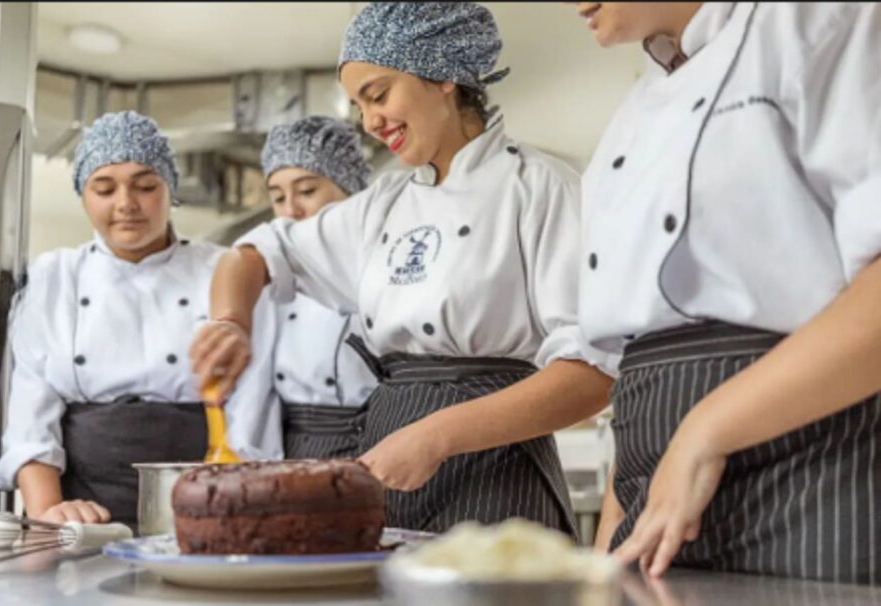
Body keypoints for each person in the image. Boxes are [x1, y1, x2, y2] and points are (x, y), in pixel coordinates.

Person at [190, 2, 614, 538]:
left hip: (499, 470)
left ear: (442, 78)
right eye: (359, 104)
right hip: (391, 454)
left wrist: (437, 436)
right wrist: (230, 321)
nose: (370, 121)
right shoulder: (384, 203)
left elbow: (592, 374)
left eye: (379, 94)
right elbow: (255, 252)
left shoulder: (540, 187)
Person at [575, 2, 881, 583]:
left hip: (811, 473)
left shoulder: (820, 21)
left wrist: (705, 430)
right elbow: (643, 359)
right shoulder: (627, 119)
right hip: (655, 494)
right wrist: (609, 537)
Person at [0, 110, 276, 526]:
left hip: (210, 496)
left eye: (145, 186)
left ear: (171, 189)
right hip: (84, 509)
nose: (126, 204)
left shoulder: (225, 273)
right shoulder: (55, 277)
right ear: (83, 196)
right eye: (103, 188)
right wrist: (49, 514)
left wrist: (235, 506)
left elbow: (252, 407)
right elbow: (32, 409)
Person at [254, 115, 378, 458]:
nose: (291, 210)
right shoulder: (272, 275)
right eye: (278, 198)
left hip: (386, 442)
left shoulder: (388, 261)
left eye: (307, 191)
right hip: (301, 447)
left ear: (351, 188)